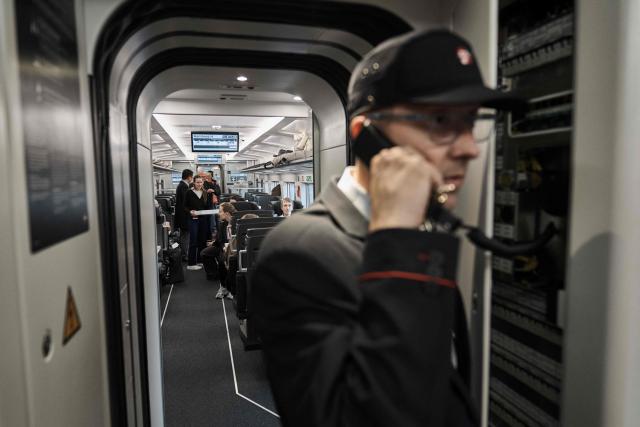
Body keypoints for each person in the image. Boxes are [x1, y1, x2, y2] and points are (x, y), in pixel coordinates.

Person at [251, 29, 523, 426]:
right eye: (441, 121)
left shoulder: (422, 229)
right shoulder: (299, 252)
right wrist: (396, 238)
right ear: (367, 137)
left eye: (471, 122)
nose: (470, 148)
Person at [201, 202, 236, 298]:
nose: (218, 214)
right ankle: (216, 276)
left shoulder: (237, 223)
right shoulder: (222, 224)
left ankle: (227, 287)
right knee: (205, 253)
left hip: (234, 248)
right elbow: (220, 239)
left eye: (220, 211)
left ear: (227, 213)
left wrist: (227, 248)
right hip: (222, 246)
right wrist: (214, 243)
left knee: (222, 260)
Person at [184, 176, 212, 270]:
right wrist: (190, 212)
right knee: (193, 241)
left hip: (203, 219)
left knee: (202, 240)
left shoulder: (205, 193)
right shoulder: (189, 192)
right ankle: (191, 263)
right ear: (194, 183)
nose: (199, 184)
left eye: (201, 182)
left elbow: (208, 206)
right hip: (193, 219)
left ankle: (200, 261)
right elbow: (185, 206)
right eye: (197, 182)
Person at [174, 169, 193, 261]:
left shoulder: (181, 186)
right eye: (191, 177)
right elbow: (186, 203)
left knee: (183, 235)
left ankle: (183, 253)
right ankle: (185, 255)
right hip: (184, 216)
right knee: (186, 235)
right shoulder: (184, 187)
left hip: (181, 215)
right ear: (189, 177)